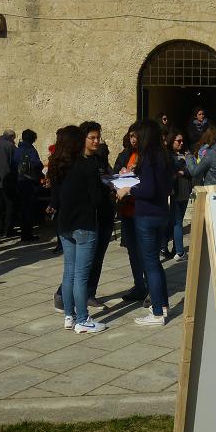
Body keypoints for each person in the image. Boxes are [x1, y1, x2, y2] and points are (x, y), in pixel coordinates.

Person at [48, 125, 107, 333]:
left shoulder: (56, 164)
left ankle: (69, 316)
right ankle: (82, 319)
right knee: (81, 276)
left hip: (65, 225)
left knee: (69, 273)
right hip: (84, 224)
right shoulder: (86, 165)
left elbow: (55, 196)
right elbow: (96, 199)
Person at [116, 119, 170, 326]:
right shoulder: (162, 155)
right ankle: (162, 304)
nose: (134, 139)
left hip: (146, 215)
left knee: (151, 265)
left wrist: (128, 189)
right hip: (160, 213)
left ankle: (157, 313)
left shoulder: (149, 157)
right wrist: (132, 174)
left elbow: (148, 189)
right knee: (155, 264)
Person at [81, 121, 114, 310]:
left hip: (104, 213)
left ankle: (90, 293)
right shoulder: (79, 162)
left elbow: (107, 176)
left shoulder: (99, 159)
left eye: (98, 137)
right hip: (88, 217)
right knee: (84, 260)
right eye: (92, 138)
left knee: (98, 257)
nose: (96, 141)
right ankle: (65, 294)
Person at [113, 125, 146, 301]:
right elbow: (115, 173)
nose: (133, 139)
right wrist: (119, 174)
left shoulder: (148, 156)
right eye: (131, 136)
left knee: (145, 251)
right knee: (132, 251)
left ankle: (149, 285)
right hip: (127, 210)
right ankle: (139, 285)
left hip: (142, 209)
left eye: (136, 136)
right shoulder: (125, 154)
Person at [163, 130, 192, 260]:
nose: (181, 143)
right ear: (171, 141)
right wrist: (180, 170)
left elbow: (192, 170)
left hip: (185, 189)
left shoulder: (185, 154)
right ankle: (179, 251)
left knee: (175, 221)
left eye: (182, 141)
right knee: (177, 221)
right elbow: (171, 170)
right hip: (175, 190)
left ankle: (174, 248)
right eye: (178, 141)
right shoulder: (167, 155)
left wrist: (183, 171)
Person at [13, 128, 44, 242]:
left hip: (19, 181)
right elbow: (37, 164)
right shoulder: (31, 150)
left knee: (23, 209)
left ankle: (24, 234)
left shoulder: (17, 150)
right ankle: (27, 235)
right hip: (29, 183)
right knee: (29, 209)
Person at [0, 129, 18, 237]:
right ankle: (8, 230)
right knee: (10, 206)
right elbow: (16, 164)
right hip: (8, 181)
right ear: (12, 137)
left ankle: (0, 228)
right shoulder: (11, 146)